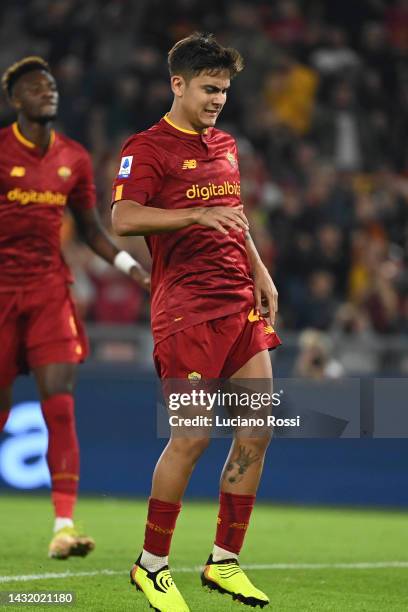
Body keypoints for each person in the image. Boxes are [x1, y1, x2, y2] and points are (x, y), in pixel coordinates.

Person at [112, 33, 280, 611]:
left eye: (225, 91)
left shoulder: (226, 144)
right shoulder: (148, 147)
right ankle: (151, 564)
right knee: (192, 436)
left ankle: (224, 563)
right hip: (186, 310)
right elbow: (123, 218)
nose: (218, 100)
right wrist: (194, 214)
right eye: (209, 89)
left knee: (258, 428)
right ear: (177, 84)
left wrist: (259, 268)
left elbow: (233, 216)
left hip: (239, 303)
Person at [0, 57, 150, 559]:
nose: (49, 92)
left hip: (48, 292)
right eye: (36, 87)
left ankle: (63, 526)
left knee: (60, 406)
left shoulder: (74, 158)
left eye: (52, 85)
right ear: (16, 100)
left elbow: (91, 230)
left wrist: (134, 270)